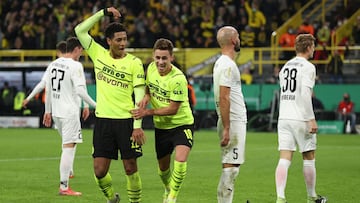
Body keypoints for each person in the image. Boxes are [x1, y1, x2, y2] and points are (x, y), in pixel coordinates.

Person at [75, 7, 146, 203]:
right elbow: (79, 31)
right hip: (104, 120)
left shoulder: (134, 62)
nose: (123, 43)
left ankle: (134, 202)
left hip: (126, 121)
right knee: (99, 170)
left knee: (130, 167)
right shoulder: (98, 53)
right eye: (119, 40)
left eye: (125, 39)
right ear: (109, 41)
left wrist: (137, 126)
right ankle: (110, 198)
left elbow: (139, 95)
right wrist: (102, 13)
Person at [131, 38, 194, 203]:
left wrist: (147, 112)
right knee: (163, 170)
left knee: (180, 161)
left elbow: (173, 109)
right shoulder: (151, 68)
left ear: (171, 58)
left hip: (181, 124)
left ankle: (172, 197)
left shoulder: (178, 79)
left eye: (164, 58)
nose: (160, 62)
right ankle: (167, 189)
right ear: (153, 56)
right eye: (157, 57)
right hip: (161, 127)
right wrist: (146, 97)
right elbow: (148, 88)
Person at [275, 34, 327, 203]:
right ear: (308, 48)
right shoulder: (308, 67)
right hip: (300, 117)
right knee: (309, 156)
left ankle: (280, 198)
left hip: (284, 117)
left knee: (284, 157)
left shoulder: (286, 66)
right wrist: (310, 118)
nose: (314, 49)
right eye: (313, 46)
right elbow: (305, 93)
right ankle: (312, 197)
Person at [42, 37, 97, 196]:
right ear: (77, 49)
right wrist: (95, 105)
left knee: (67, 144)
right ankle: (64, 187)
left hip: (57, 113)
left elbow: (49, 89)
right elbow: (80, 91)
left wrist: (48, 111)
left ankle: (69, 171)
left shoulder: (54, 64)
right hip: (69, 113)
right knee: (69, 146)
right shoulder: (75, 65)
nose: (82, 53)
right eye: (82, 50)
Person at [213, 26, 247, 203]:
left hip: (230, 120)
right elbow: (224, 97)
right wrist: (227, 127)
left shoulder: (220, 62)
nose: (240, 39)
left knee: (231, 166)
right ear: (234, 40)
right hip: (232, 121)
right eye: (238, 36)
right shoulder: (227, 65)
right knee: (231, 168)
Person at [23, 40, 67, 108]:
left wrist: (28, 98)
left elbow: (42, 85)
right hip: (67, 104)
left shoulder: (52, 65)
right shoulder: (74, 65)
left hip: (54, 105)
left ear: (57, 52)